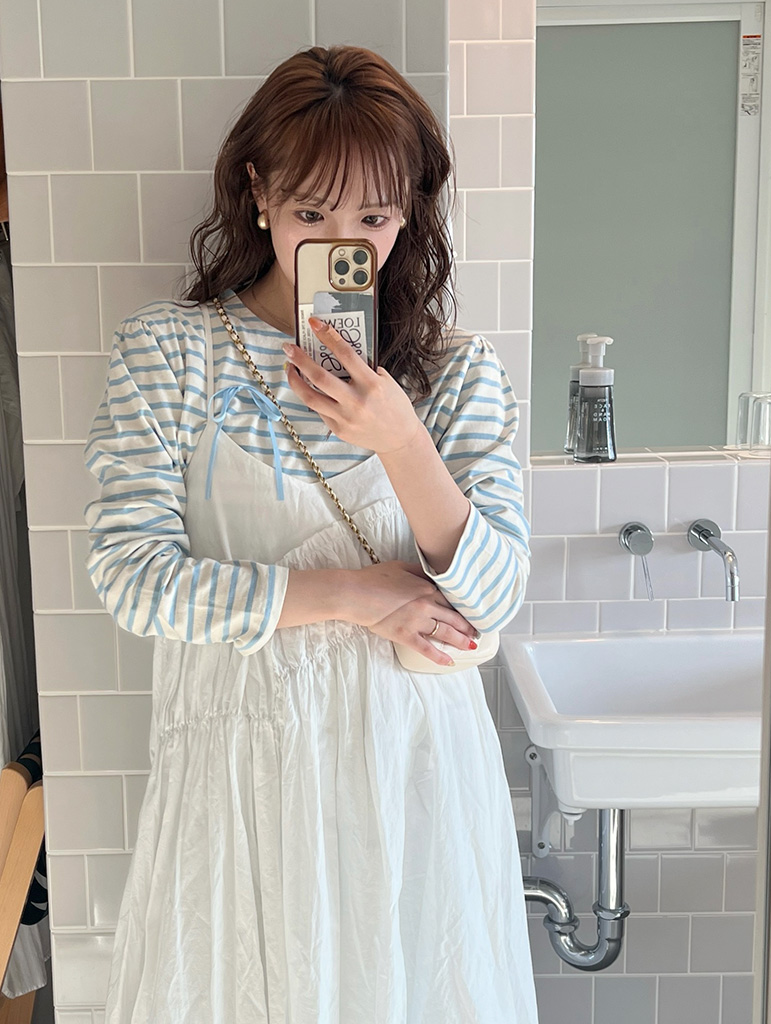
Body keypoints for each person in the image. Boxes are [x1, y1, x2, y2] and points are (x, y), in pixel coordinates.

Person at [84, 43, 537, 1024]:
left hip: (414, 783)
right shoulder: (173, 353)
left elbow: (497, 595)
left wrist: (402, 440)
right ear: (258, 194)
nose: (343, 243)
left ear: (411, 209)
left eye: (373, 218)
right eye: (311, 214)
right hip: (242, 781)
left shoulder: (455, 372)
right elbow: (131, 576)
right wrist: (353, 596)